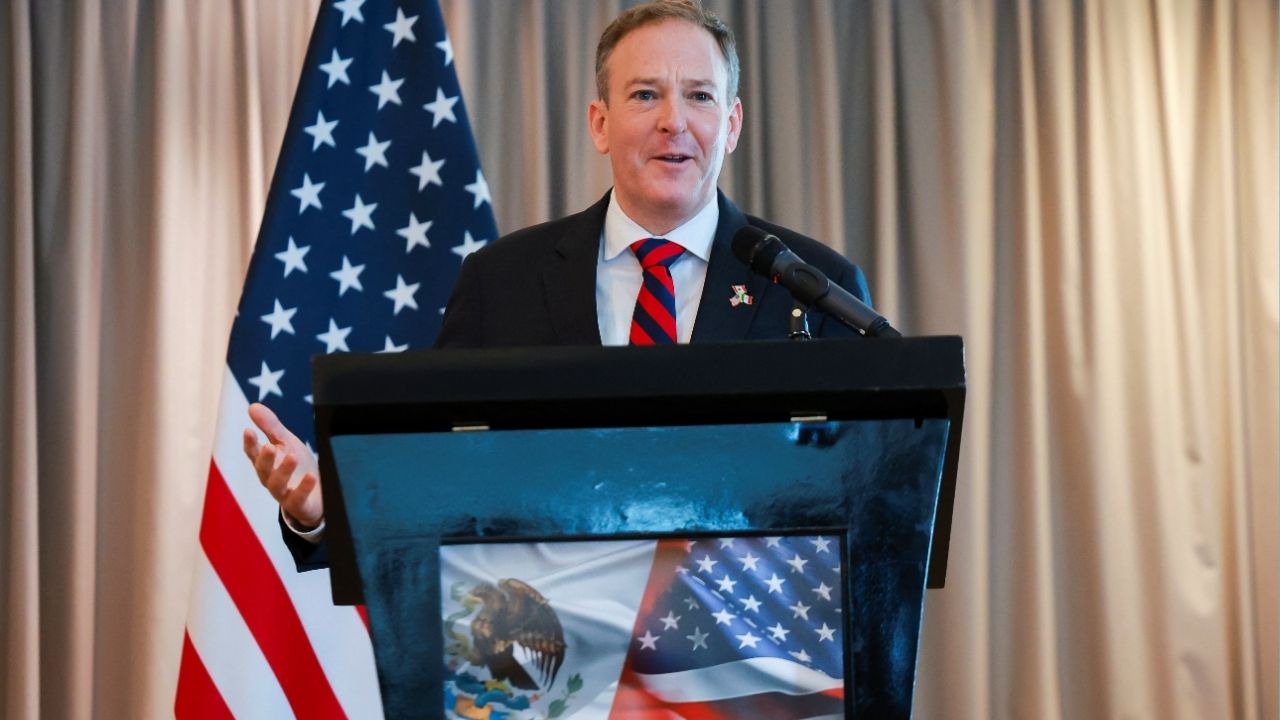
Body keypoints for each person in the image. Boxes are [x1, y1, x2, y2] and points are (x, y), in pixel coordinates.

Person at [244, 0, 873, 569]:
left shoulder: (815, 289)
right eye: (646, 95)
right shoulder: (501, 282)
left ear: (732, 124)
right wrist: (323, 511)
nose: (674, 122)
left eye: (701, 96)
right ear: (600, 124)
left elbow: (867, 495)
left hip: (750, 665)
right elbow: (435, 475)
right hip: (553, 662)